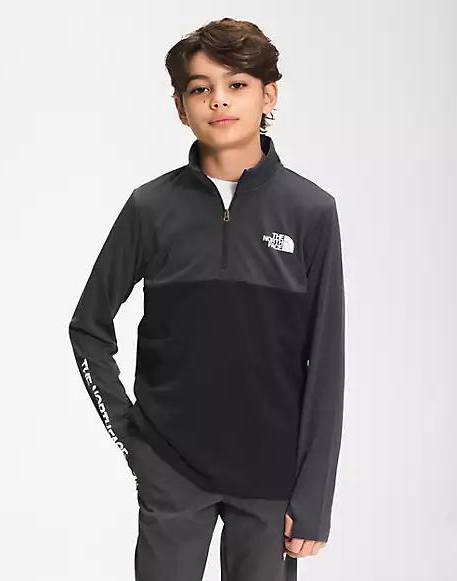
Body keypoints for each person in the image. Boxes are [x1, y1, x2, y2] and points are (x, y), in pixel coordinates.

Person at [68, 16, 345, 581]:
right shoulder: (151, 208)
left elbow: (326, 364)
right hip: (172, 470)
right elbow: (88, 326)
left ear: (268, 95)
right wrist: (132, 437)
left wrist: (313, 498)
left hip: (270, 476)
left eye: (237, 84)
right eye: (201, 88)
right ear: (180, 107)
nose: (219, 100)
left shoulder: (310, 212)